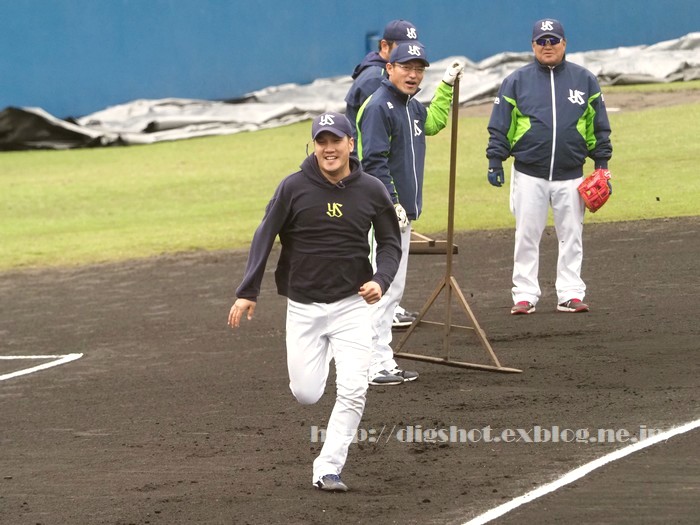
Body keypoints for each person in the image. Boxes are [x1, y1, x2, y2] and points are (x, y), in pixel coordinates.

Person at [228, 112, 401, 492]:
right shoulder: (293, 187)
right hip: (304, 308)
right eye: (321, 141)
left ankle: (328, 467)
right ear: (314, 146)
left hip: (352, 305)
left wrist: (380, 280)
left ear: (350, 144)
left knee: (355, 389)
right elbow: (264, 235)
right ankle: (327, 354)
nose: (328, 148)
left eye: (335, 140)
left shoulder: (372, 189)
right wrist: (247, 291)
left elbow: (390, 243)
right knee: (307, 394)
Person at [485, 18, 613, 315]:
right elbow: (500, 126)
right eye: (541, 41)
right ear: (532, 45)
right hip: (529, 173)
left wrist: (602, 165)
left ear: (564, 43)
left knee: (572, 234)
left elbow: (599, 127)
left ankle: (570, 292)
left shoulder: (585, 80)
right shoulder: (516, 81)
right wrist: (495, 160)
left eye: (553, 40)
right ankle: (525, 294)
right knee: (527, 234)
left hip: (572, 174)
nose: (548, 46)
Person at [357, 41, 463, 385]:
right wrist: (391, 202)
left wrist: (445, 86)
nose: (414, 75)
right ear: (389, 68)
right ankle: (373, 364)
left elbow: (432, 123)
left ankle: (378, 359)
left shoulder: (410, 106)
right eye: (406, 67)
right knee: (382, 289)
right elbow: (373, 161)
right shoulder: (379, 107)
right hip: (383, 215)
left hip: (398, 215)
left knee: (390, 290)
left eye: (419, 70)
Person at [344, 18, 421, 330]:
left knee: (384, 273)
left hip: (373, 187)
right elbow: (371, 150)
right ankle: (372, 357)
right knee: (380, 272)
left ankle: (375, 344)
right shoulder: (374, 85)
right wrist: (389, 199)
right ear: (386, 50)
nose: (412, 72)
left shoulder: (393, 87)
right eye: (401, 54)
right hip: (368, 188)